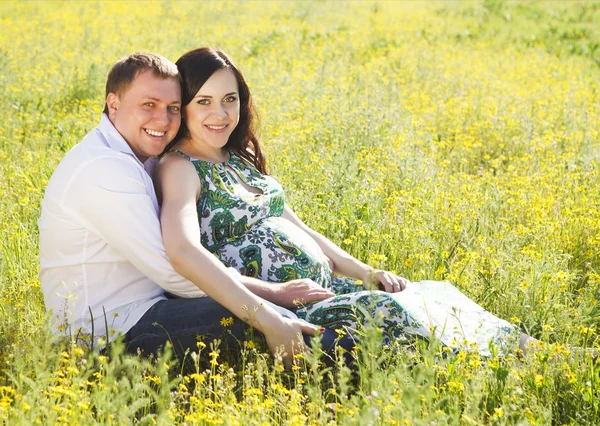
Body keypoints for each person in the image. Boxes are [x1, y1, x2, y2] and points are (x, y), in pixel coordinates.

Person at [156, 47, 536, 358]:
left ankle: (538, 352)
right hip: (284, 309)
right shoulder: (181, 168)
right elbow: (183, 251)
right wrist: (269, 305)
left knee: (426, 293)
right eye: (203, 101)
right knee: (393, 311)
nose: (220, 114)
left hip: (326, 291)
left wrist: (366, 272)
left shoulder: (236, 159)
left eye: (229, 99)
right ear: (182, 108)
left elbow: (300, 230)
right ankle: (498, 366)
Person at [38, 52, 336, 368]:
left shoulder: (135, 155)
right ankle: (358, 360)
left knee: (259, 311)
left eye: (173, 108)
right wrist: (274, 297)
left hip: (145, 309)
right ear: (114, 105)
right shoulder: (104, 170)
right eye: (148, 105)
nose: (163, 120)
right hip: (105, 335)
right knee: (263, 319)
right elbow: (175, 274)